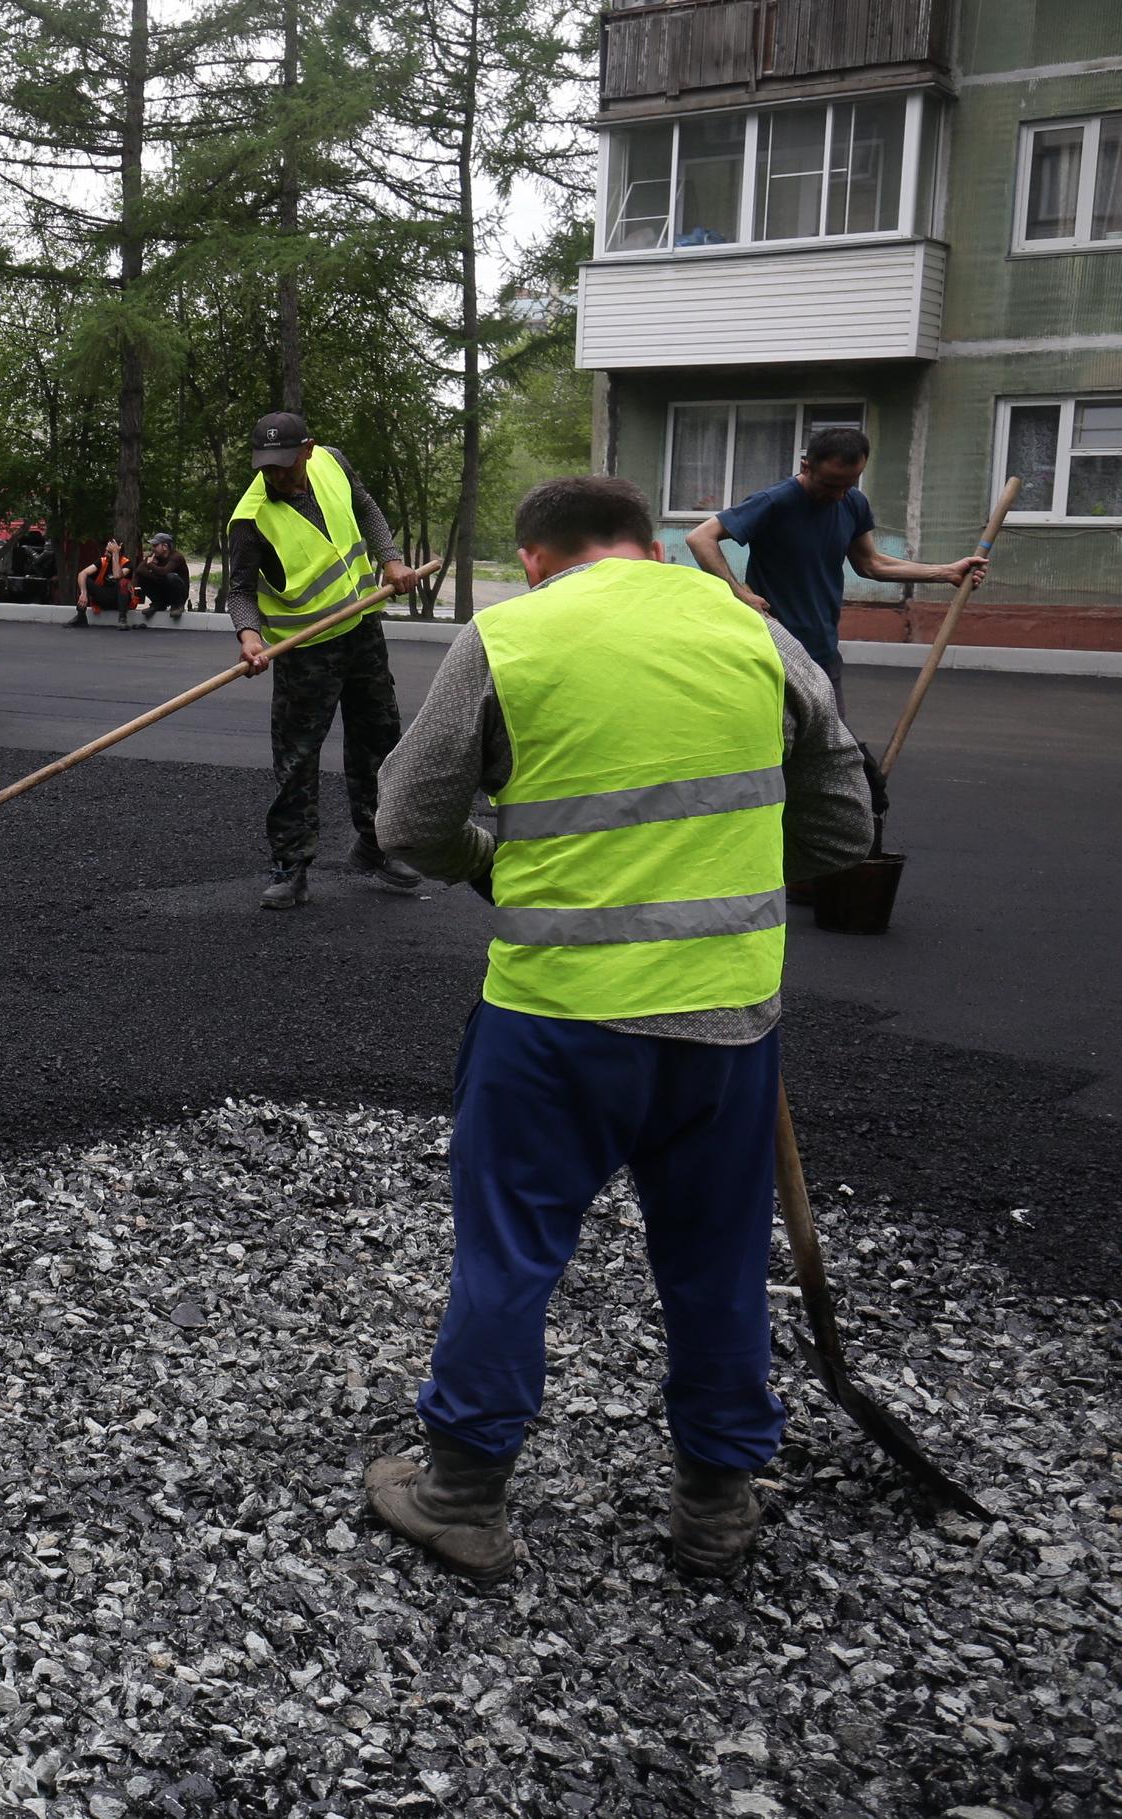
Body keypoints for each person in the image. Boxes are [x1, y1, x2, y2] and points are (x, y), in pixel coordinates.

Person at [363, 475, 874, 1582]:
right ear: (650, 547)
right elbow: (842, 824)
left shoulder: (509, 634)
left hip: (556, 1021)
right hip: (727, 1024)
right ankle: (716, 1509)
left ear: (537, 559)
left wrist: (488, 861)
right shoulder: (758, 636)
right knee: (717, 1261)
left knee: (510, 1254)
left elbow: (407, 819)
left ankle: (460, 1496)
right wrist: (728, 884)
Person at [228, 411, 423, 907]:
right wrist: (249, 635)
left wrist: (391, 558)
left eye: (285, 464)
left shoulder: (332, 463)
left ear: (308, 450)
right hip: (304, 652)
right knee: (297, 760)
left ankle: (378, 845)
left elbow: (367, 508)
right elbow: (240, 590)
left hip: (361, 630)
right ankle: (290, 865)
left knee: (378, 739)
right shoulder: (250, 518)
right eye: (266, 465)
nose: (275, 474)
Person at [684, 425, 988, 713]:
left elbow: (871, 564)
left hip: (823, 649)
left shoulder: (853, 503)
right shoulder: (775, 501)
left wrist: (945, 572)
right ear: (806, 467)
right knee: (780, 745)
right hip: (774, 649)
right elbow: (701, 537)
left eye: (850, 484)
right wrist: (739, 594)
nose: (839, 495)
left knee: (831, 746)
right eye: (830, 485)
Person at [74, 538, 140, 628]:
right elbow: (82, 574)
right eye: (106, 550)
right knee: (84, 579)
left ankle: (122, 619)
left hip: (120, 601)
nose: (105, 554)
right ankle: (81, 618)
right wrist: (84, 593)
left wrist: (115, 554)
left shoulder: (127, 563)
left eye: (109, 552)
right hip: (105, 597)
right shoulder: (102, 561)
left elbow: (117, 575)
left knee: (123, 582)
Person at [136, 531, 189, 622]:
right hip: (164, 592)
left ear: (165, 546)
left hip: (179, 593)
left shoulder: (176, 557)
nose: (153, 548)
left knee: (171, 577)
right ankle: (158, 603)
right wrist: (156, 575)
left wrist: (151, 566)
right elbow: (140, 569)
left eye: (155, 546)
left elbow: (165, 572)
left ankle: (177, 606)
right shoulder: (155, 556)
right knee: (142, 577)